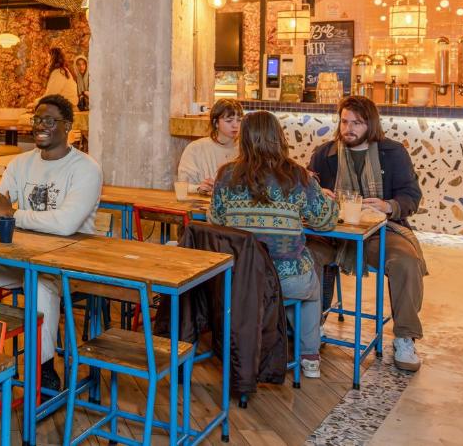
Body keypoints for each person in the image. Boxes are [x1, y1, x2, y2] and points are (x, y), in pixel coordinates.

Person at [0, 94, 102, 391]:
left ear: (67, 127)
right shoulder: (19, 164)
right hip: (23, 256)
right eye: (37, 119)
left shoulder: (86, 168)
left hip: (69, 265)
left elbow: (65, 224)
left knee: (39, 282)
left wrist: (10, 215)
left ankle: (44, 368)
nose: (41, 125)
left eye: (50, 120)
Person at [210, 110, 338, 379]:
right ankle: (309, 357)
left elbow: (217, 219)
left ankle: (252, 342)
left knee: (289, 284)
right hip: (286, 279)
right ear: (279, 137)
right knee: (311, 287)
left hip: (239, 280)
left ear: (243, 140)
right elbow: (325, 220)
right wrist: (328, 199)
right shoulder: (297, 175)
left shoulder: (226, 175)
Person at [306, 96, 426, 372]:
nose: (348, 128)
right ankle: (311, 326)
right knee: (306, 255)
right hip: (331, 232)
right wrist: (315, 193)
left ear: (370, 124)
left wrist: (388, 206)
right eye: (344, 121)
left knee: (405, 261)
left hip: (379, 232)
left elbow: (411, 195)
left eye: (356, 123)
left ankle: (405, 336)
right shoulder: (325, 154)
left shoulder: (392, 153)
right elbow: (307, 190)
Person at [177, 99, 244, 194]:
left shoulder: (247, 149)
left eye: (239, 120)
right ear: (215, 123)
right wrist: (199, 188)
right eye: (229, 121)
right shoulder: (195, 148)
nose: (235, 125)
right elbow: (182, 186)